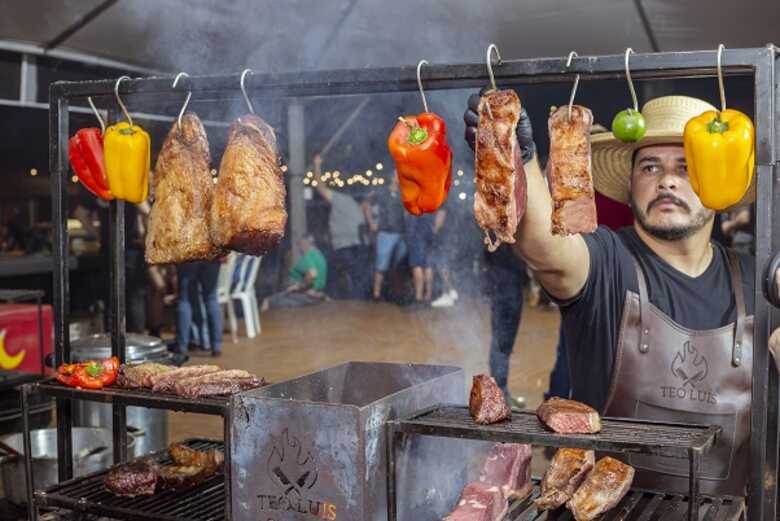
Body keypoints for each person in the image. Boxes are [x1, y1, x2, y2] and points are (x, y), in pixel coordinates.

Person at [464, 94, 757, 497]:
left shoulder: (758, 282)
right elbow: (547, 250)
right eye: (650, 167)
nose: (666, 181)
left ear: (715, 177)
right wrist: (520, 155)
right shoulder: (607, 260)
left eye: (686, 168)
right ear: (632, 183)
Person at [313, 154, 367, 299]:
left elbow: (320, 187)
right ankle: (355, 304)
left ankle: (332, 300)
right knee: (356, 277)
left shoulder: (340, 199)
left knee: (334, 276)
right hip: (355, 246)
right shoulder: (356, 204)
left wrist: (317, 165)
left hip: (344, 246)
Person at [365, 176, 407, 301]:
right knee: (381, 265)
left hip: (402, 233)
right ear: (393, 177)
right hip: (386, 233)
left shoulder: (404, 193)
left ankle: (397, 293)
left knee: (399, 265)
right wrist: (371, 222)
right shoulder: (381, 192)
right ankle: (376, 294)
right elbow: (366, 204)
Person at [261, 234, 327, 310]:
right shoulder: (319, 255)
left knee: (267, 301)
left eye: (299, 244)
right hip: (314, 295)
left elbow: (312, 274)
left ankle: (256, 321)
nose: (299, 247)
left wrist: (298, 286)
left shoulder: (308, 256)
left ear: (305, 243)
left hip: (306, 295)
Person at [175, 259, 222, 356]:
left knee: (184, 300)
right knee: (211, 298)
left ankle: (181, 346)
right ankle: (216, 346)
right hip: (212, 254)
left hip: (187, 254)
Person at [430, 202, 459, 308]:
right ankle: (446, 294)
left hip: (443, 240)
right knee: (443, 266)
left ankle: (450, 291)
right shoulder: (447, 202)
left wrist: (433, 231)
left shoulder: (441, 203)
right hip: (448, 239)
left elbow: (439, 221)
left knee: (442, 266)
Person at [404, 210, 435, 306]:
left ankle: (418, 298)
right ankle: (428, 296)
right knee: (428, 266)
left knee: (417, 266)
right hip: (429, 237)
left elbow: (411, 225)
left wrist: (409, 240)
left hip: (417, 238)